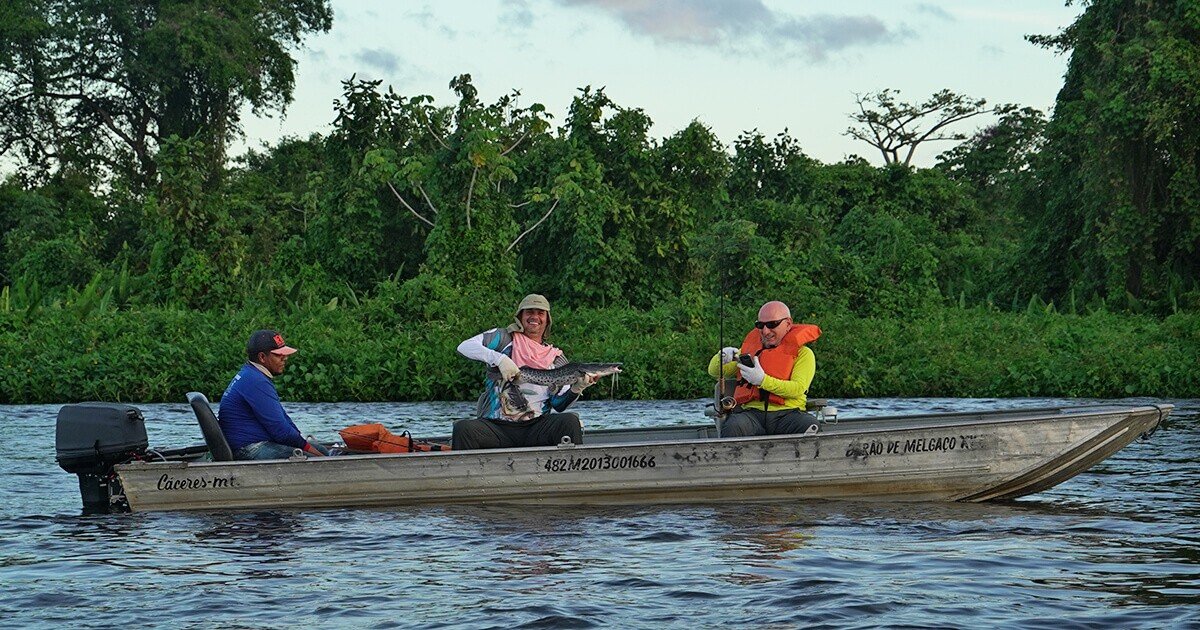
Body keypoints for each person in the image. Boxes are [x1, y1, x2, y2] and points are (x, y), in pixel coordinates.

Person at [453, 294, 598, 450]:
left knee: (569, 421)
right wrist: (499, 359)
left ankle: (571, 472)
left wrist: (577, 389)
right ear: (520, 316)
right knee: (463, 428)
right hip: (496, 428)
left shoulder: (556, 358)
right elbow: (464, 346)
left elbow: (559, 405)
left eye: (540, 313)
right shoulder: (502, 338)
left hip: (536, 428)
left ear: (547, 320)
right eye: (529, 312)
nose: (534, 317)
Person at [707, 301, 822, 437]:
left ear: (788, 324)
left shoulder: (804, 354)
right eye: (760, 325)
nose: (766, 331)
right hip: (752, 416)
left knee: (809, 424)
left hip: (788, 414)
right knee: (733, 425)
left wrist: (762, 380)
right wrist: (721, 356)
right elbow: (714, 372)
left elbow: (797, 389)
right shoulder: (748, 351)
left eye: (772, 324)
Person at [217, 329, 328, 460]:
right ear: (262, 357)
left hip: (255, 444)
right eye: (278, 355)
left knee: (321, 449)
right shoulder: (256, 381)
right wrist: (317, 456)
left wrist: (303, 442)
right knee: (315, 455)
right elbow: (281, 432)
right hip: (248, 449)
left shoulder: (251, 374)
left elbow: (283, 419)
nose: (285, 358)